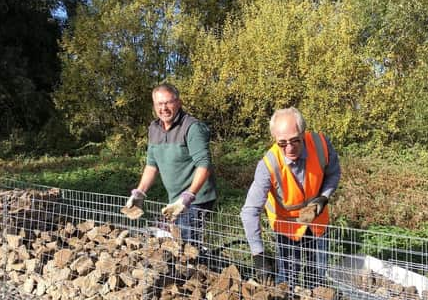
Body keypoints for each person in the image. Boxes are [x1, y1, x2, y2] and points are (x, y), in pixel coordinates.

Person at [240, 107, 341, 288]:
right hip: (287, 228)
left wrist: (323, 198)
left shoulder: (321, 145)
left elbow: (333, 174)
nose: (289, 147)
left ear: (303, 133)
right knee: (287, 282)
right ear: (275, 139)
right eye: (282, 143)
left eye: (295, 140)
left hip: (317, 223)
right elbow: (249, 211)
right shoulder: (268, 164)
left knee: (317, 280)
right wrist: (259, 256)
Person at [124, 83, 217, 245]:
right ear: (154, 106)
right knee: (180, 241)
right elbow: (152, 165)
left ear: (178, 103)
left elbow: (204, 164)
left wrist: (188, 196)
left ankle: (195, 267)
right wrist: (139, 192)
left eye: (168, 102)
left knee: (187, 244)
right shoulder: (154, 129)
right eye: (159, 104)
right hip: (175, 199)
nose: (164, 108)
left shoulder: (192, 127)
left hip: (197, 197)